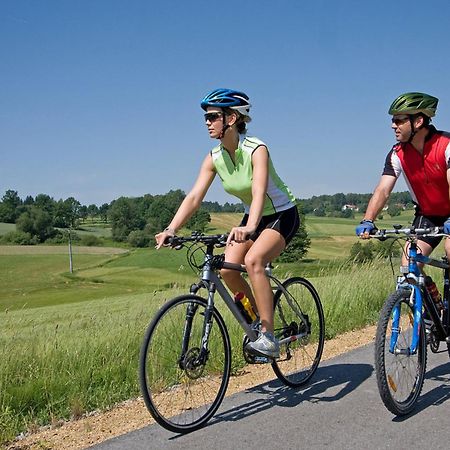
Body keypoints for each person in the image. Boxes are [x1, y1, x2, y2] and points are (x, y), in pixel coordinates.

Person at [155, 88, 299, 359]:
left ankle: (269, 337)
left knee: (254, 260)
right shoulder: (214, 157)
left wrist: (249, 227)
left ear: (231, 118)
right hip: (253, 217)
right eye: (205, 118)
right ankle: (256, 320)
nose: (207, 122)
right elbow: (195, 197)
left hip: (281, 214)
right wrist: (171, 229)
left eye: (212, 116)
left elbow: (258, 192)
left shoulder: (256, 149)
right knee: (227, 269)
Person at [356, 92, 450, 276]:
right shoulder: (397, 153)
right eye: (393, 120)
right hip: (428, 215)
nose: (393, 126)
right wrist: (368, 219)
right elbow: (383, 189)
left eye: (399, 121)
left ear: (418, 122)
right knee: (409, 262)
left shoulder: (446, 144)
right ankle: (427, 302)